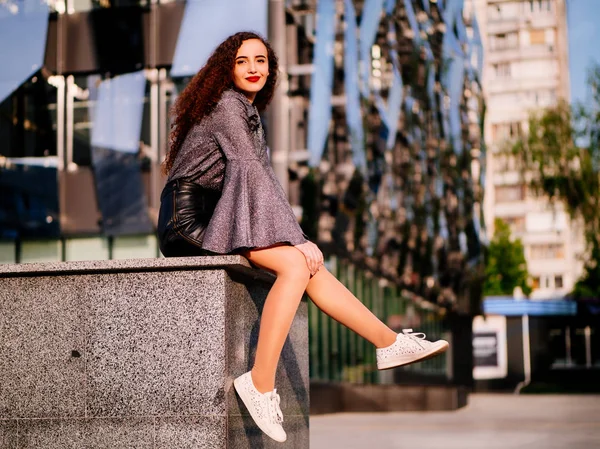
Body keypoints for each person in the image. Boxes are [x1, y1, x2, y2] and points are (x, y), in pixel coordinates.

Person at [158, 31, 449, 443]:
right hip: (186, 221)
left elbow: (264, 180)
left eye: (260, 60)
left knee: (306, 266)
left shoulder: (248, 112)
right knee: (297, 262)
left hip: (219, 211)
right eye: (242, 61)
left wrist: (298, 239)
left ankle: (387, 342)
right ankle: (258, 384)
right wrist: (295, 239)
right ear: (227, 68)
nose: (253, 68)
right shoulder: (226, 106)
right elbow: (251, 174)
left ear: (271, 69)